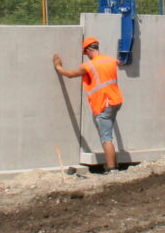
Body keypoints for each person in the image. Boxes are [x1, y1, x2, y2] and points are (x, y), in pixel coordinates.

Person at [53, 35, 123, 172]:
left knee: (106, 137)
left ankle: (112, 168)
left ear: (89, 50)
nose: (86, 55)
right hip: (116, 101)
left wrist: (58, 66)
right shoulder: (110, 60)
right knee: (108, 132)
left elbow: (70, 74)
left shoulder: (89, 65)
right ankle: (113, 164)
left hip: (104, 103)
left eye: (85, 53)